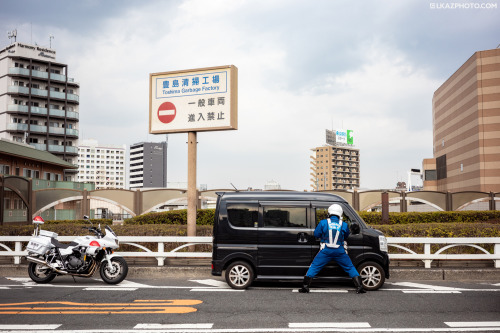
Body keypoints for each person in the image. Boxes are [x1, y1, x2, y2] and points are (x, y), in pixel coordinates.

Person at [298, 203, 366, 294]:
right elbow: (346, 235)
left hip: (326, 250)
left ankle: (305, 287)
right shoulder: (344, 225)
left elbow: (316, 234)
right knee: (350, 267)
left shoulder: (323, 223)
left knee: (314, 266)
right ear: (340, 214)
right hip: (339, 251)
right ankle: (359, 287)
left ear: (329, 213)